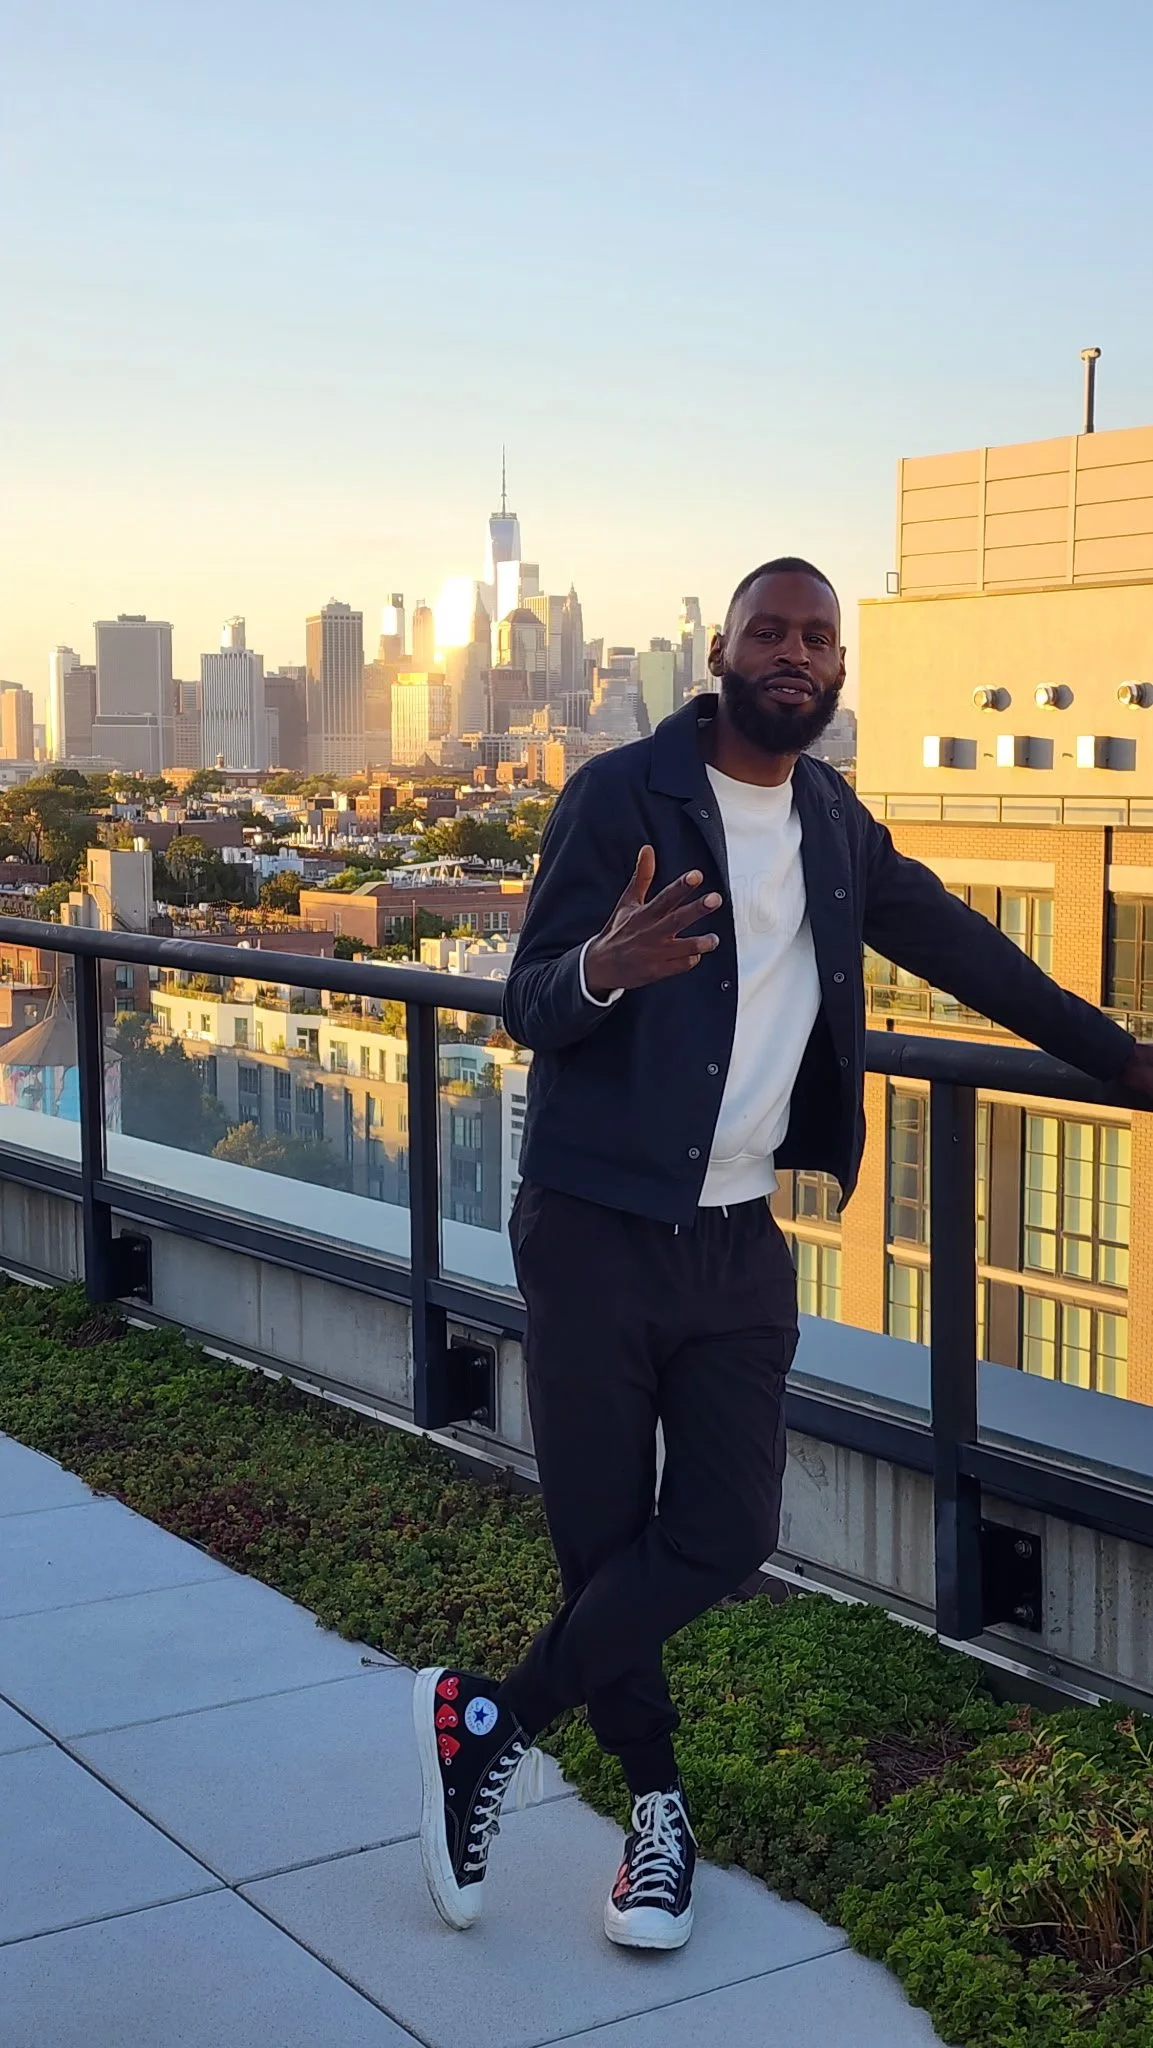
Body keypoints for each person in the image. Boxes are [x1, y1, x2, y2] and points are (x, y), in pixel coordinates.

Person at [412, 556, 1153, 1952]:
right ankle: (656, 1812)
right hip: (592, 1233)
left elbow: (973, 954)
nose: (798, 655)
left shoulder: (835, 823)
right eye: (773, 631)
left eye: (821, 638)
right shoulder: (617, 794)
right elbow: (527, 1002)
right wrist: (601, 970)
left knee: (727, 1528)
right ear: (720, 647)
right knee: (603, 1546)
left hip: (740, 1244)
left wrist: (1122, 1059)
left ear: (835, 669)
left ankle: (490, 1716)